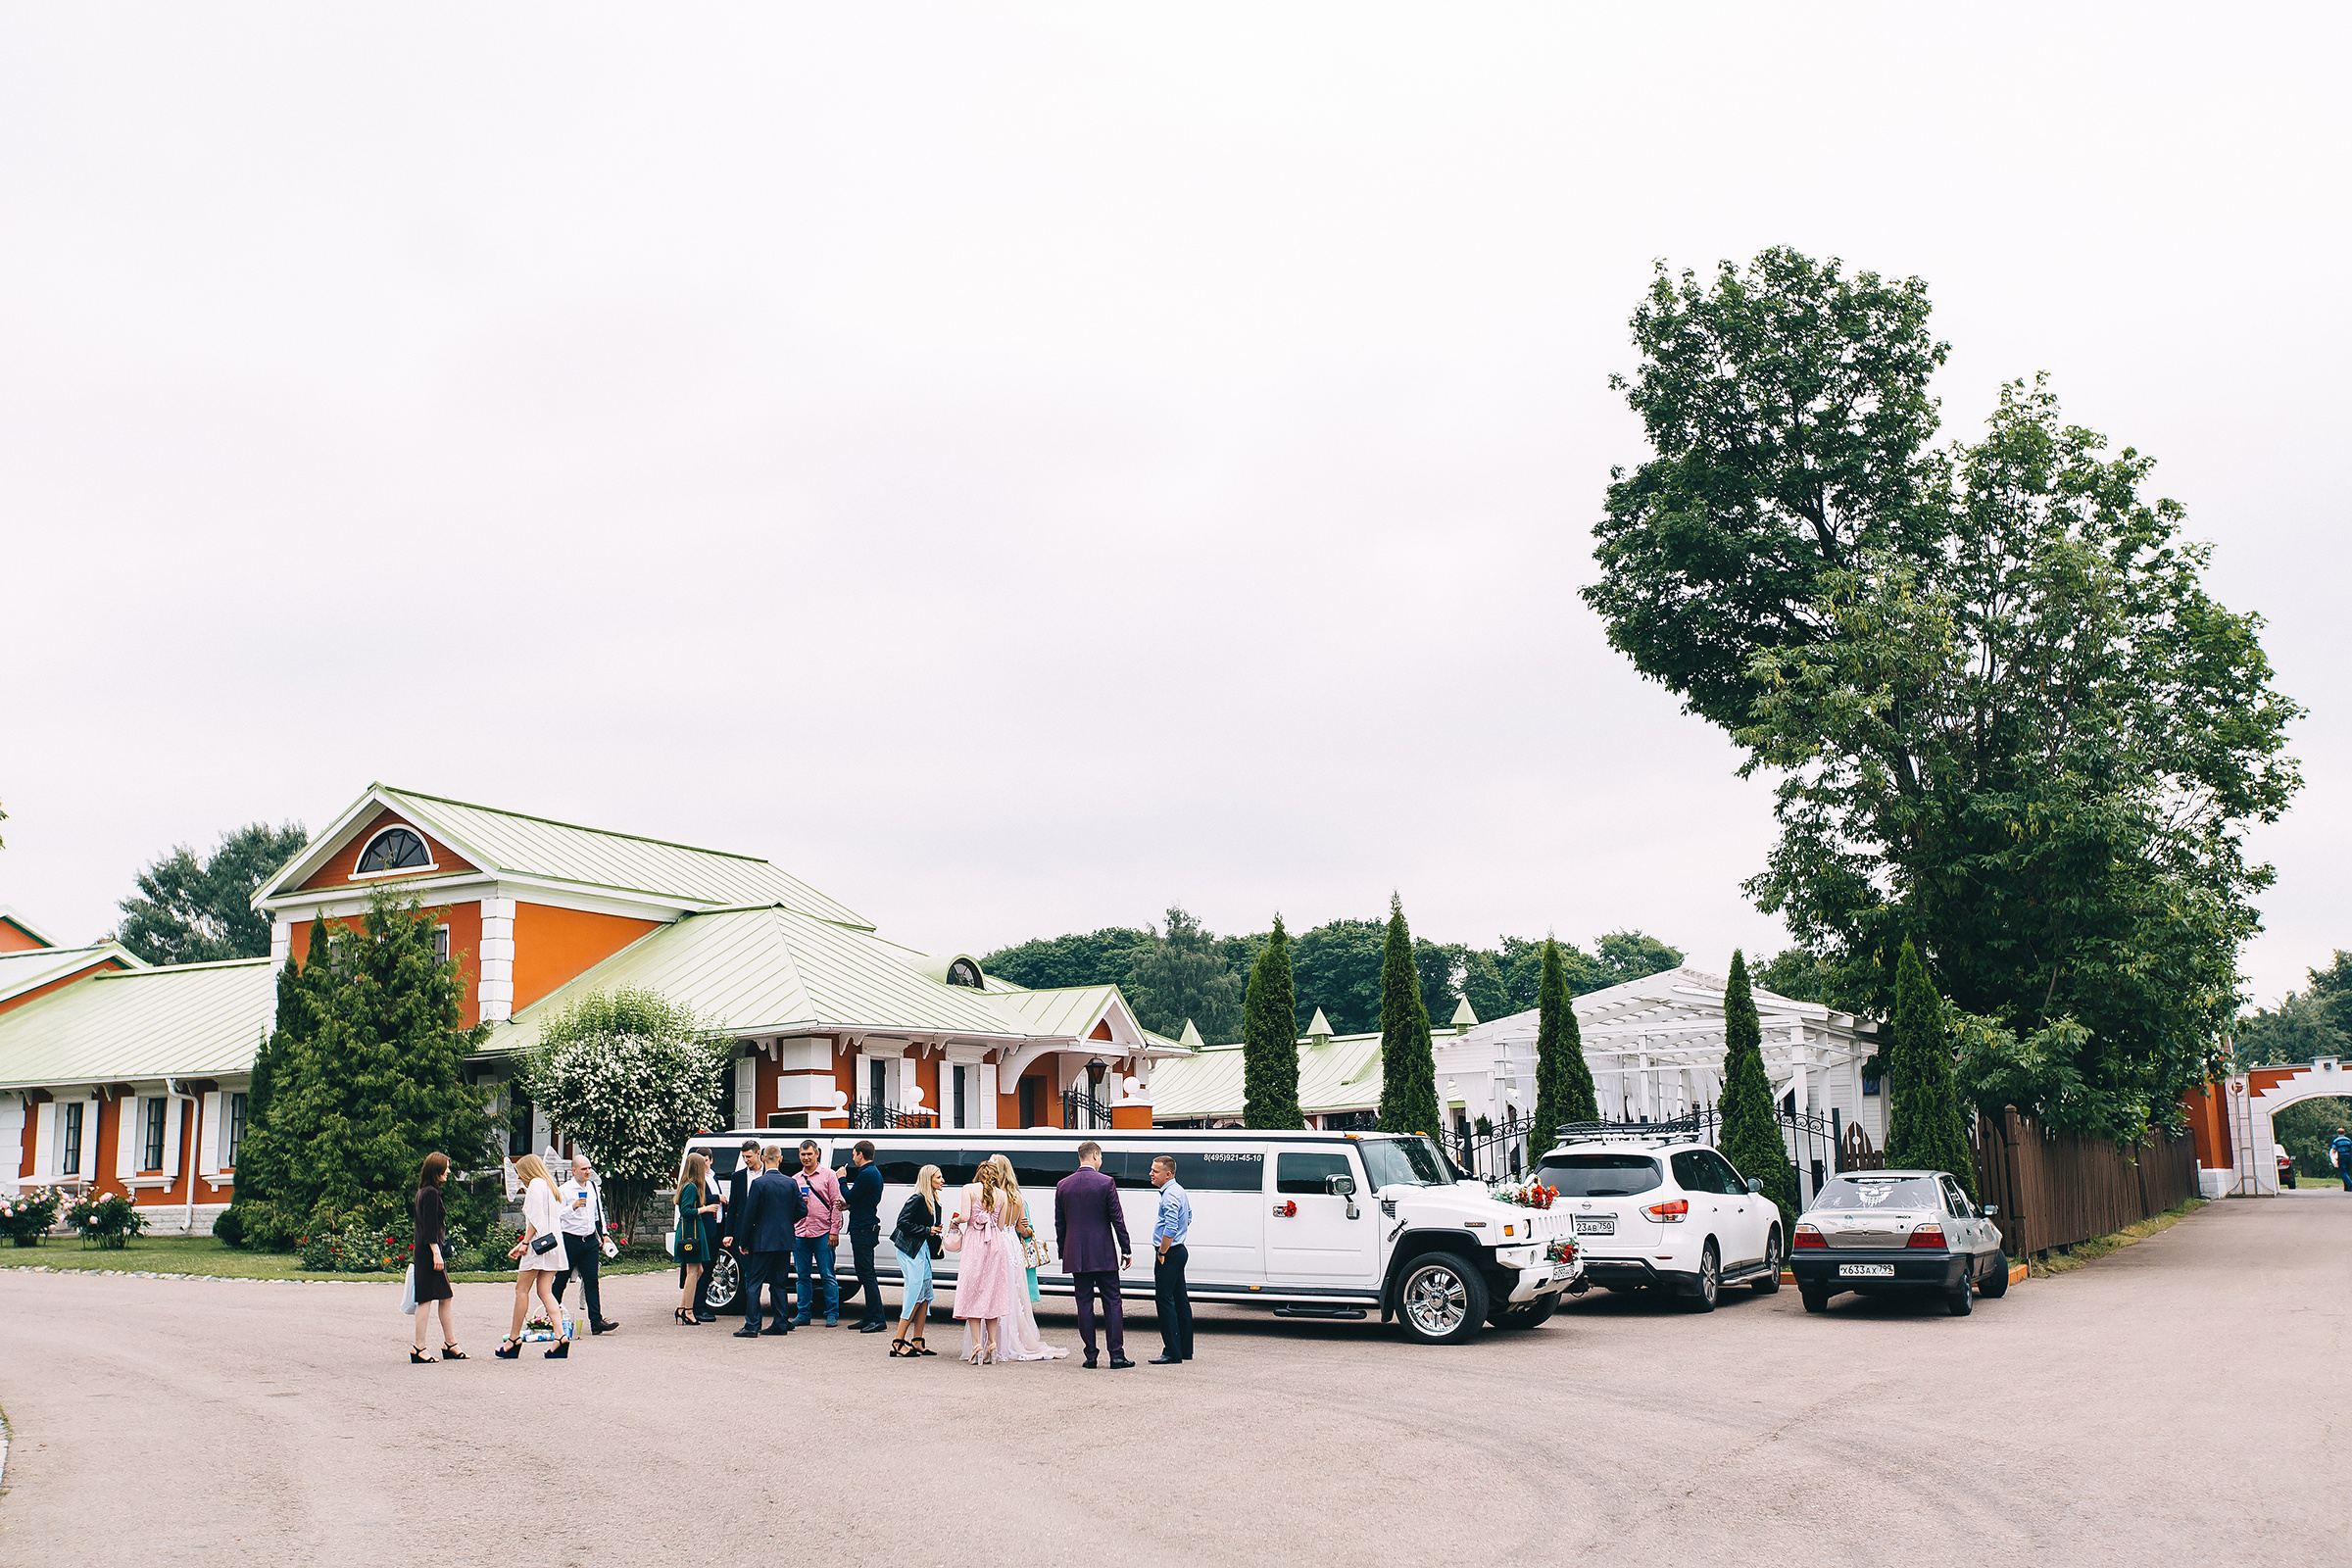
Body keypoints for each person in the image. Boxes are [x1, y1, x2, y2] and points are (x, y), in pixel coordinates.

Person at [956, 1157, 1066, 1364]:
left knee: (978, 1292)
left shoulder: (972, 1190)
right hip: (1006, 1245)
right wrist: (1026, 1228)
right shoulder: (1014, 1197)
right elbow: (1016, 1229)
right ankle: (999, 1342)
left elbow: (970, 1217)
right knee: (1002, 1294)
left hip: (984, 1243)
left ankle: (979, 1344)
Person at [1055, 1140, 1133, 1370]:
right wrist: (1125, 1248)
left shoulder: (1063, 1185)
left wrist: (1064, 1250)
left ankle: (1090, 1355)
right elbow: (1117, 1219)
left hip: (1076, 1254)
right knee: (1113, 1302)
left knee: (1084, 1304)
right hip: (1103, 1253)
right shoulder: (1106, 1182)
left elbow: (1060, 1223)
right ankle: (1116, 1355)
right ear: (1095, 1155)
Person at [498, 1153, 570, 1360]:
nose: (519, 1178)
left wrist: (525, 1243)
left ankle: (513, 1339)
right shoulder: (551, 1186)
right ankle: (560, 1336)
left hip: (539, 1244)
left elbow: (534, 1219)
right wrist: (522, 1243)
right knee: (545, 1291)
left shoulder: (535, 1186)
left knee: (522, 1290)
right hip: (554, 1243)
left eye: (520, 1173)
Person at [734, 1145, 805, 1339]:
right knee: (779, 1283)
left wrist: (744, 1241)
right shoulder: (791, 1183)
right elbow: (803, 1210)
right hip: (784, 1239)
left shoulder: (759, 1184)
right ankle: (780, 1322)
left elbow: (749, 1215)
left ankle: (752, 1324)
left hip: (763, 1240)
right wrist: (786, 1221)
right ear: (780, 1159)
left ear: (763, 1158)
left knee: (755, 1283)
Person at [552, 1153, 617, 1336]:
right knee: (561, 1279)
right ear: (574, 1171)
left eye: (589, 1168)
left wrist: (604, 1234)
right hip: (570, 1240)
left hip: (589, 1240)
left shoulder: (593, 1188)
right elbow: (556, 1215)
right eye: (584, 1169)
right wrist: (572, 1207)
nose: (588, 1172)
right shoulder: (564, 1190)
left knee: (592, 1281)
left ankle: (596, 1321)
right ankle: (551, 1316)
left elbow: (598, 1214)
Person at [410, 1152, 466, 1362]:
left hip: (425, 1251)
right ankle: (419, 1347)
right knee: (425, 1299)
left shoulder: (424, 1191)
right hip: (429, 1252)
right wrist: (436, 1252)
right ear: (436, 1170)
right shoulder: (431, 1193)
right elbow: (430, 1227)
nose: (449, 1171)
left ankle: (450, 1343)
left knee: (445, 1296)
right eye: (446, 1167)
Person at [889, 1163, 946, 1358]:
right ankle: (897, 1342)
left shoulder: (934, 1201)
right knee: (914, 1292)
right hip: (909, 1250)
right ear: (928, 1179)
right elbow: (902, 1223)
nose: (942, 1180)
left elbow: (930, 1227)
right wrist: (927, 1230)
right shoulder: (918, 1199)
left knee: (926, 1293)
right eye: (938, 1177)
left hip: (921, 1249)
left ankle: (917, 1340)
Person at [791, 1139, 846, 1327]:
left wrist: (834, 1231)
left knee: (827, 1274)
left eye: (809, 1154)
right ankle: (803, 1313)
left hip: (823, 1232)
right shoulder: (795, 1179)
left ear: (817, 1154)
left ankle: (832, 1313)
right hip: (800, 1233)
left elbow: (836, 1204)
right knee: (802, 1276)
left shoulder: (829, 1176)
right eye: (803, 1154)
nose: (806, 1158)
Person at [838, 1140, 890, 1334]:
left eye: (854, 1154)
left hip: (863, 1229)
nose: (852, 1158)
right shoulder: (872, 1173)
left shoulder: (867, 1174)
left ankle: (877, 1318)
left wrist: (841, 1179)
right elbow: (862, 1200)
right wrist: (849, 1206)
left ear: (861, 1154)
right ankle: (870, 1316)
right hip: (865, 1226)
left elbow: (850, 1195)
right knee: (864, 1273)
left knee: (867, 1275)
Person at [1148, 1153, 1193, 1365]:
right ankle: (1184, 1349)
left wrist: (1163, 1252)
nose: (1150, 1174)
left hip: (1170, 1252)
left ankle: (1172, 1351)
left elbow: (1171, 1227)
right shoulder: (1179, 1190)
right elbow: (1189, 1216)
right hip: (1179, 1250)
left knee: (1164, 1300)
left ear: (1167, 1174)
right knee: (1180, 1299)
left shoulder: (1170, 1195)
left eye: (1155, 1171)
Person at [673, 1151, 721, 1328]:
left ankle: (682, 1307)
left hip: (693, 1229)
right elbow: (686, 1211)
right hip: (690, 1231)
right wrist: (705, 1209)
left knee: (698, 1270)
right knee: (693, 1271)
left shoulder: (690, 1185)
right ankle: (688, 1310)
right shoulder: (691, 1187)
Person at [991, 1153, 1046, 1306]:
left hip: (995, 1248)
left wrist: (1025, 1228)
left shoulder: (989, 1199)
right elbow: (1024, 1231)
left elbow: (1026, 1232)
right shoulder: (1017, 1198)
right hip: (1011, 1246)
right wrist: (1024, 1227)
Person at [2332, 1127, 2352, 1192]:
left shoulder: (2336, 1140)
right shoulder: (2348, 1140)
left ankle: (2350, 1184)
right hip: (2348, 1156)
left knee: (2343, 1172)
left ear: (2338, 1133)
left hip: (2341, 1156)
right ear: (2344, 1133)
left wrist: (2333, 1157)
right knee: (2347, 1171)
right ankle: (2347, 1187)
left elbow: (2334, 1149)